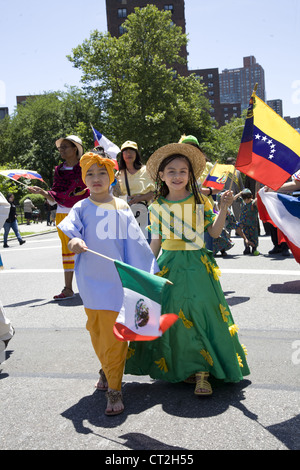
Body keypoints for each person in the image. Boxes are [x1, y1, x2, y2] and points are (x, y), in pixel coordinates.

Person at [125, 143, 250, 396]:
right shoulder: (157, 205)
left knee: (203, 316)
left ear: (190, 175)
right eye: (171, 171)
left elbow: (214, 232)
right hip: (169, 267)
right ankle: (186, 368)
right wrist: (145, 272)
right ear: (161, 176)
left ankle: (204, 372)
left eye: (183, 171)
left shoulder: (200, 200)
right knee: (176, 319)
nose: (177, 175)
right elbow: (156, 243)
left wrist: (224, 207)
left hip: (199, 266)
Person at [58, 149, 159, 416]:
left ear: (112, 176)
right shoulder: (80, 207)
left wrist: (145, 274)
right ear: (84, 179)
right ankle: (105, 367)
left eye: (102, 172)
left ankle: (114, 389)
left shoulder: (122, 206)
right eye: (90, 174)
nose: (96, 178)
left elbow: (135, 244)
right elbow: (70, 233)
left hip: (116, 283)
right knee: (96, 331)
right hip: (91, 283)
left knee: (115, 335)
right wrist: (75, 241)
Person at [29, 135, 89, 300]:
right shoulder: (58, 170)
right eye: (60, 148)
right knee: (67, 250)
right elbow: (55, 195)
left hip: (84, 212)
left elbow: (90, 190)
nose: (61, 150)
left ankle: (92, 284)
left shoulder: (86, 167)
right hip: (63, 213)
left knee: (89, 248)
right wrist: (42, 192)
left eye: (65, 147)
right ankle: (68, 288)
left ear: (75, 148)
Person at [114, 141, 155, 240]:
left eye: (132, 151)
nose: (129, 154)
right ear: (122, 155)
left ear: (136, 154)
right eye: (125, 151)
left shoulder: (147, 170)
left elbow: (155, 193)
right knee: (131, 248)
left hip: (146, 214)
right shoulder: (118, 174)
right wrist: (126, 199)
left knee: (147, 246)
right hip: (127, 215)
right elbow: (115, 196)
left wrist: (140, 198)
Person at [237, 189, 260, 256]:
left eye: (248, 198)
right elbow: (234, 199)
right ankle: (247, 247)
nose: (246, 200)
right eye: (245, 199)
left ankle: (254, 248)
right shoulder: (242, 202)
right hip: (244, 223)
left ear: (251, 197)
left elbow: (257, 201)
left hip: (253, 223)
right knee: (246, 235)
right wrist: (240, 193)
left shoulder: (253, 203)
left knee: (254, 236)